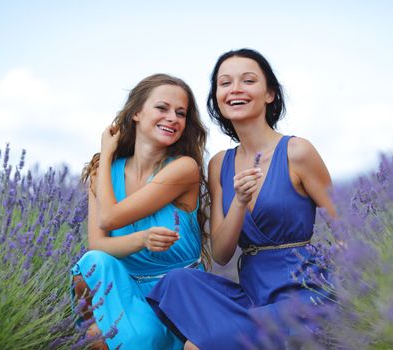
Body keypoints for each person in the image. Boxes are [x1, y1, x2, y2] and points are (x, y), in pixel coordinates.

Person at [147, 49, 336, 349]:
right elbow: (221, 254)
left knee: (195, 346)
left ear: (270, 93)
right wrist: (238, 201)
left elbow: (347, 226)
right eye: (225, 83)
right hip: (252, 294)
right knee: (177, 282)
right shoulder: (220, 164)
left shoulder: (297, 152)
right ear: (217, 98)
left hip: (301, 293)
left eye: (248, 81)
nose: (235, 89)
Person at [71, 73, 209, 350]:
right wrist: (106, 156)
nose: (172, 118)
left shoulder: (183, 168)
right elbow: (97, 245)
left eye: (181, 113)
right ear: (136, 112)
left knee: (132, 338)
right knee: (93, 263)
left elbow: (109, 218)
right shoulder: (105, 171)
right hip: (125, 290)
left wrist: (105, 156)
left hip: (178, 294)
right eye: (162, 108)